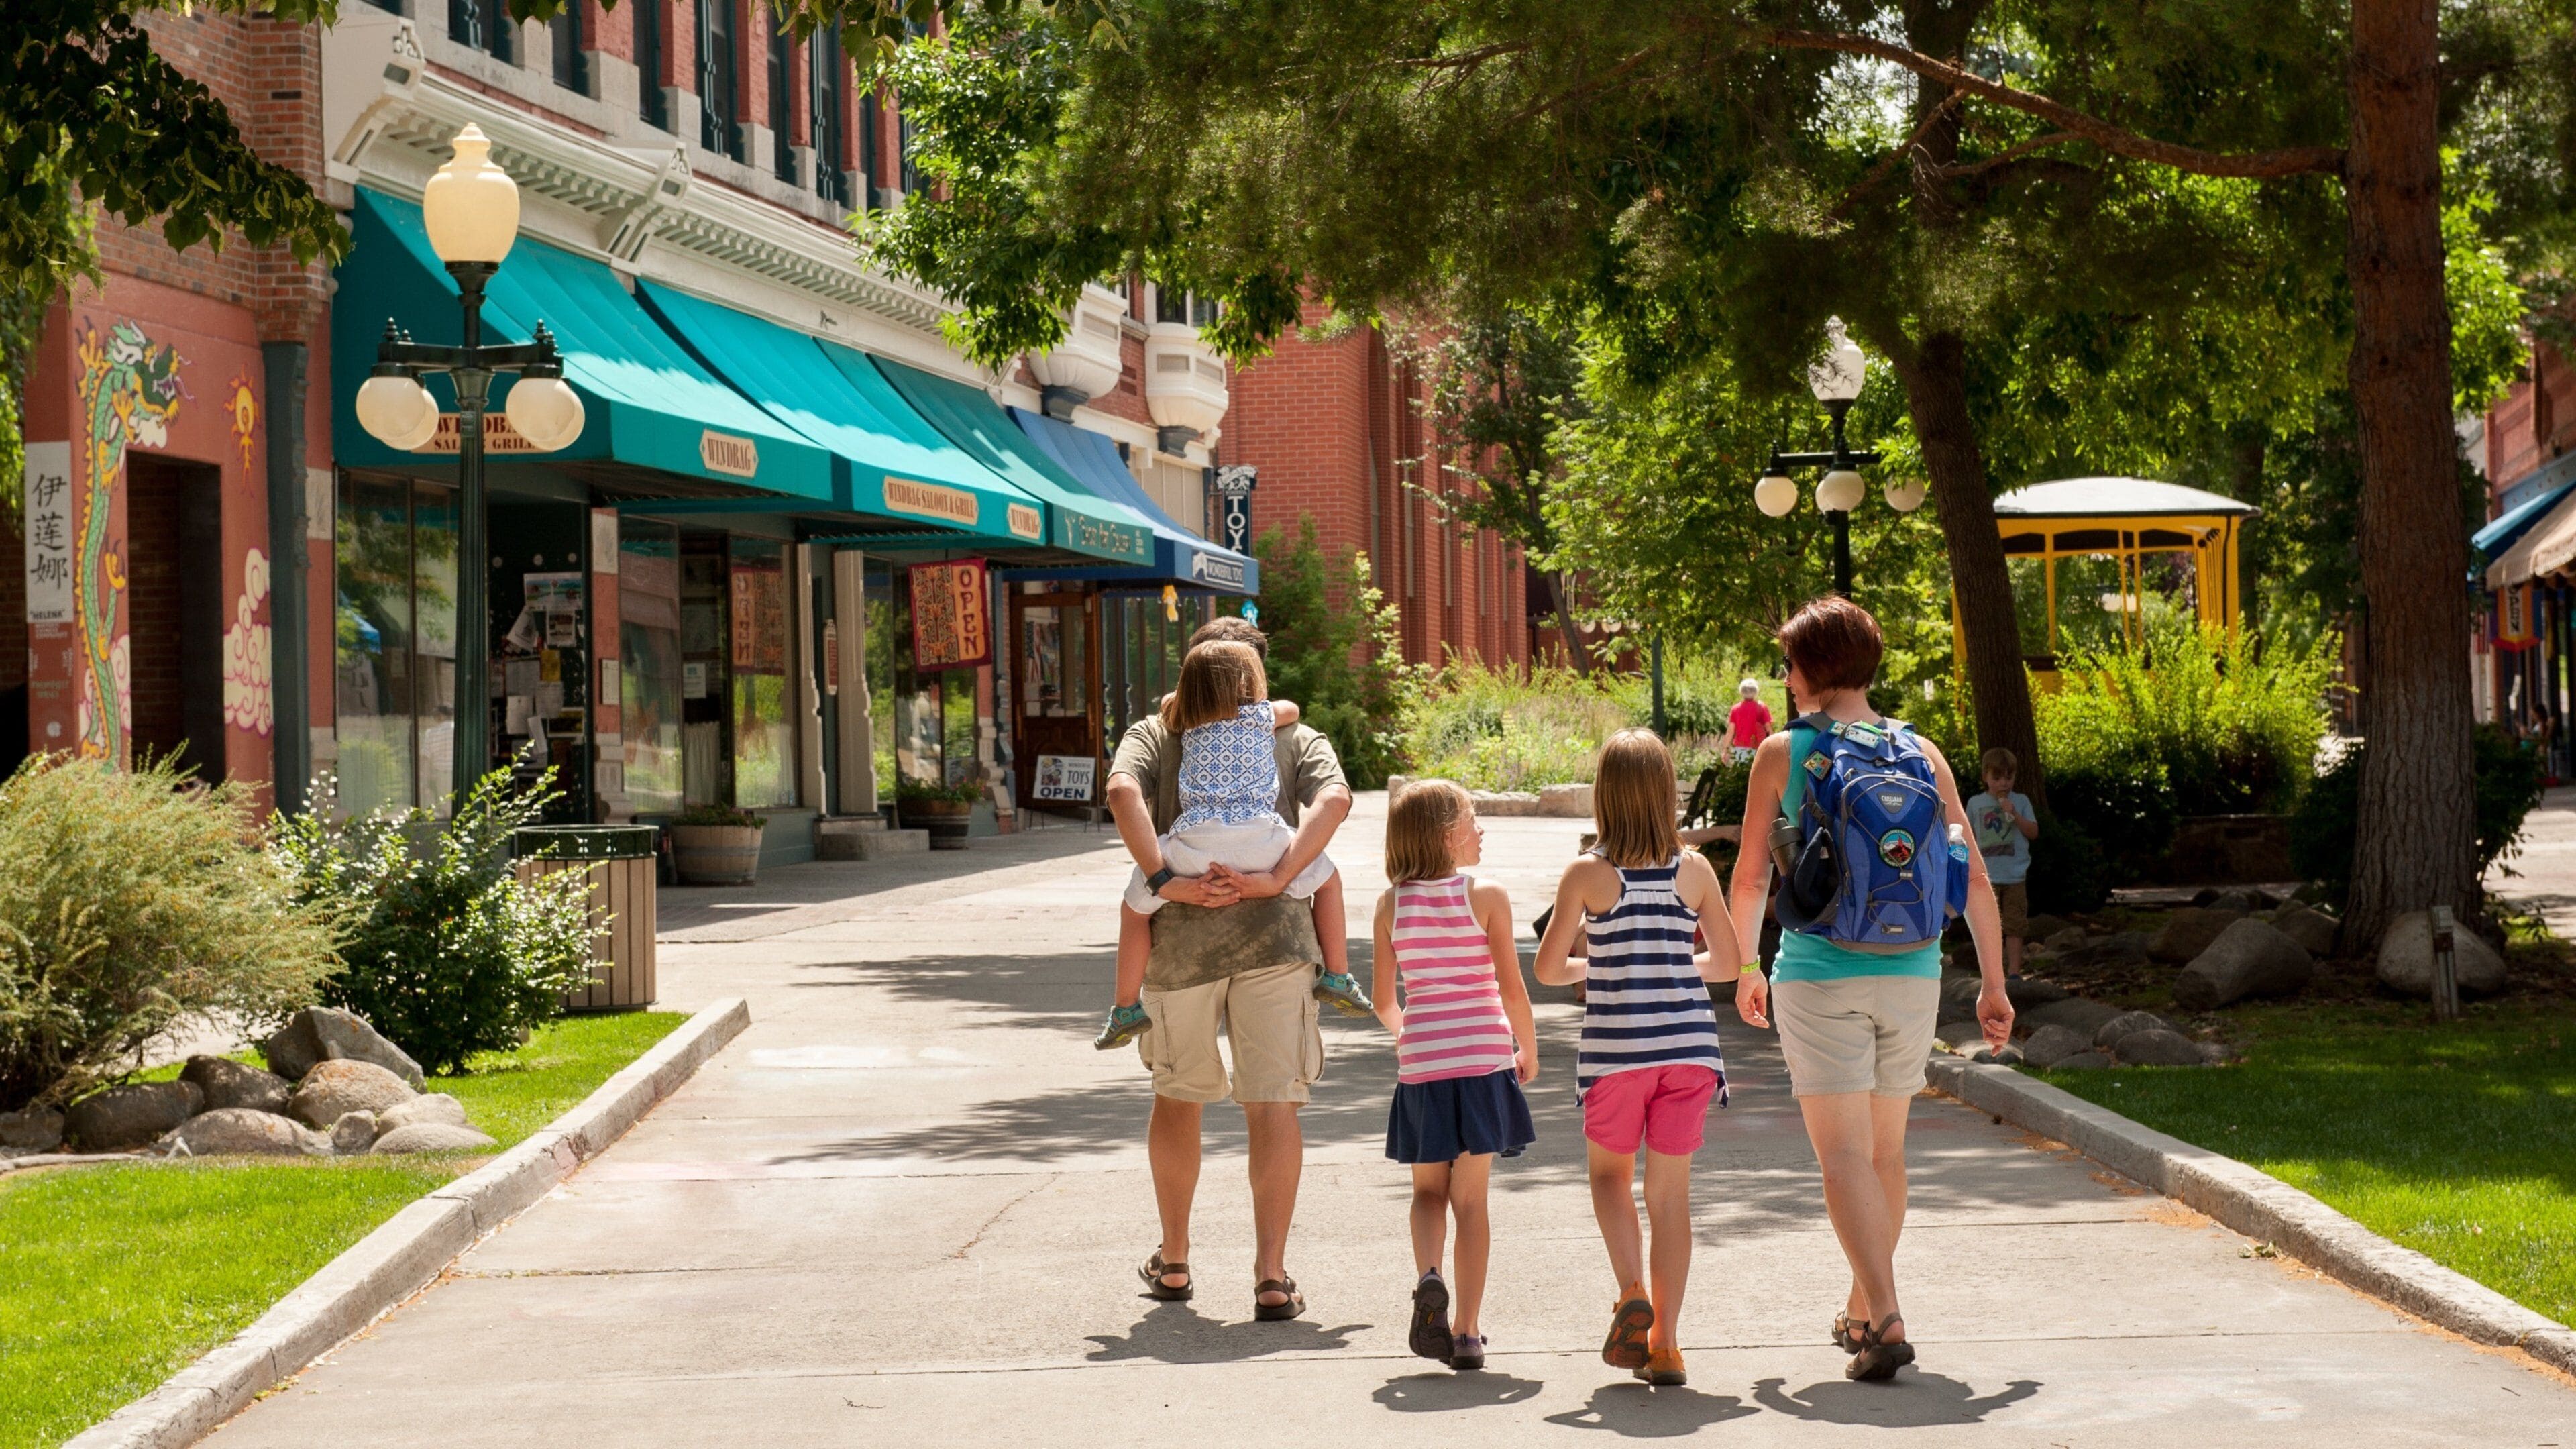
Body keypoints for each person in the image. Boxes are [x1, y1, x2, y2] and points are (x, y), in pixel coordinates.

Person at [1728, 596, 2011, 1383]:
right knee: (1885, 1155)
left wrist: (1746, 967)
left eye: (1789, 664)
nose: (1785, 679)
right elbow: (1973, 877)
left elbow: (1751, 877)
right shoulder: (1922, 752)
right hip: (1916, 971)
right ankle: (1861, 1307)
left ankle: (1885, 1317)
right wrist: (1992, 983)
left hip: (1820, 973)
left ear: (1814, 669)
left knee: (1842, 1154)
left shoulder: (1784, 753)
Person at [1103, 616, 1353, 1323]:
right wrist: (1279, 877)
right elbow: (1334, 802)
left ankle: (1176, 1260)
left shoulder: (1158, 731)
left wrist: (1162, 879)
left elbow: (1122, 792)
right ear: (1259, 674)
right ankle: (1271, 1276)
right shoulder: (1290, 733)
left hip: (1180, 944)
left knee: (1179, 1096)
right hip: (1274, 939)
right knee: (1273, 1103)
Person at [1535, 729, 1743, 1389]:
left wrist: (1597, 962)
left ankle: (1631, 1288)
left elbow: (1547, 969)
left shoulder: (1589, 875)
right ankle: (1667, 1346)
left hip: (1618, 1050)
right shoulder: (1695, 871)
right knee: (1671, 1199)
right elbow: (1730, 964)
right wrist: (1676, 963)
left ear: (1604, 796)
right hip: (1687, 1050)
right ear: (1664, 795)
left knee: (1607, 1179)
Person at [1097, 640, 1364, 1049]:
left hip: (1192, 845)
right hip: (1262, 842)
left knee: (1134, 908)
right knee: (1328, 881)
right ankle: (1338, 976)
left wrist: (1162, 880)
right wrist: (1277, 878)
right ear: (1250, 680)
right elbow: (1293, 714)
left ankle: (1125, 1008)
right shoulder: (1264, 718)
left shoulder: (1180, 720)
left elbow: (1125, 784)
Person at [1373, 779, 1538, 1374]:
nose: (1481, 829)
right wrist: (1528, 1046)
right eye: (1473, 818)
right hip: (1483, 1061)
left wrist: (1410, 1039)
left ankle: (1428, 1277)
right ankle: (1466, 1332)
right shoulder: (1486, 896)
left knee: (1426, 1193)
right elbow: (1512, 988)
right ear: (1448, 836)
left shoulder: (1391, 905)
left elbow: (1385, 1000)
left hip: (1423, 1065)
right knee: (1472, 1202)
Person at [1966, 748, 2039, 972]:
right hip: (1986, 878)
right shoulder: (1975, 804)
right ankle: (1993, 974)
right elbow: (1969, 837)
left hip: (2015, 876)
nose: (2003, 784)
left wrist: (2015, 814)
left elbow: (2033, 832)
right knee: (1989, 928)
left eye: (2009, 777)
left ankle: (2014, 973)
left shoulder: (2021, 801)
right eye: (1997, 778)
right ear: (1985, 778)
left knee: (2015, 926)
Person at [1727, 678, 1774, 764]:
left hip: (1740, 749)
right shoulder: (1761, 707)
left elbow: (1731, 732)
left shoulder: (1735, 709)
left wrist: (1726, 750)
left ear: (1741, 691)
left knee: (1742, 776)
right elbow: (1769, 729)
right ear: (1756, 691)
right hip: (1759, 748)